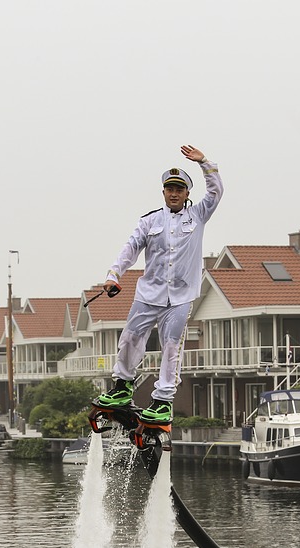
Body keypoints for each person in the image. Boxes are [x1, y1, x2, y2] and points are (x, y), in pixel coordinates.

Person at [93, 144, 223, 425]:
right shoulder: (150, 220)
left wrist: (205, 163)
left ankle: (163, 399)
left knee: (171, 346)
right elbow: (131, 247)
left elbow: (216, 192)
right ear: (164, 192)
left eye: (179, 190)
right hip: (149, 293)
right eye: (169, 189)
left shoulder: (197, 215)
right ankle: (123, 386)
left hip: (180, 297)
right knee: (130, 338)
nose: (174, 194)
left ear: (187, 194)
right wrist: (113, 275)